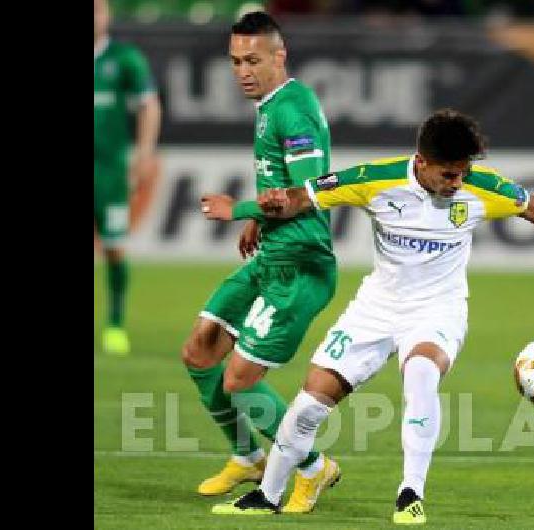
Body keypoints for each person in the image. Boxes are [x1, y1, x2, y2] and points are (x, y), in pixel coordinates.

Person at [200, 108, 534, 523]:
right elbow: (300, 198)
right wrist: (242, 211)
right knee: (310, 402)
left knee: (421, 373)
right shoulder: (374, 180)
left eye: (463, 172)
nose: (458, 183)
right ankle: (267, 495)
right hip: (376, 308)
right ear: (421, 162)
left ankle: (410, 494)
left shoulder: (482, 188)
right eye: (449, 174)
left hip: (438, 309)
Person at [183, 11, 340, 514]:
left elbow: (311, 192)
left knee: (239, 379)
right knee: (200, 350)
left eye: (253, 60)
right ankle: (248, 456)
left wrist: (241, 209)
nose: (243, 71)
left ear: (280, 56)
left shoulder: (294, 111)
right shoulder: (271, 105)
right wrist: (262, 222)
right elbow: (284, 187)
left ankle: (314, 470)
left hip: (299, 266)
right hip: (274, 250)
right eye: (234, 62)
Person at [94, 0, 162, 355]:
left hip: (108, 173)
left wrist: (145, 152)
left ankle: (115, 325)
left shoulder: (123, 59)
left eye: (98, 9)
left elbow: (149, 104)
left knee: (114, 248)